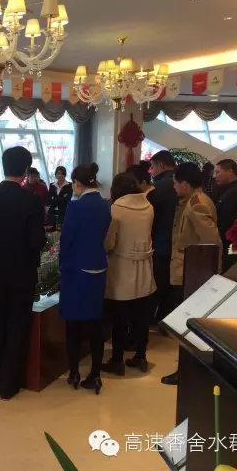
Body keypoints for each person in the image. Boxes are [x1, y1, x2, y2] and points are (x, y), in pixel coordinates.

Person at [0, 147, 45, 400]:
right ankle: (8, 384)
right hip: (23, 273)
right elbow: (37, 241)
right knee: (17, 327)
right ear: (26, 170)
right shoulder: (31, 201)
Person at [160, 162, 222, 386]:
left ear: (185, 184)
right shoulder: (193, 200)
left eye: (176, 183)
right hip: (187, 269)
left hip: (192, 272)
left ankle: (187, 370)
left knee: (188, 323)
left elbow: (212, 242)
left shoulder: (197, 205)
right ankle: (187, 368)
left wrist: (211, 274)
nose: (174, 187)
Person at [59, 162, 112, 395]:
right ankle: (96, 374)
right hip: (98, 267)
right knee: (95, 324)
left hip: (76, 269)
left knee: (73, 325)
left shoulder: (76, 207)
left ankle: (74, 373)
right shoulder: (105, 205)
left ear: (77, 183)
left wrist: (61, 265)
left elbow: (66, 239)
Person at [101, 173, 156, 376]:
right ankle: (141, 356)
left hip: (121, 267)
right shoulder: (148, 207)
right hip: (144, 267)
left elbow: (109, 243)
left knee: (119, 318)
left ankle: (117, 360)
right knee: (141, 316)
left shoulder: (116, 209)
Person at [148, 150, 178, 324]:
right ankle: (165, 318)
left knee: (158, 282)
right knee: (170, 283)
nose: (152, 171)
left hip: (160, 241)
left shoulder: (158, 187)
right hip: (175, 242)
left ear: (161, 165)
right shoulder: (181, 183)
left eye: (153, 167)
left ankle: (155, 318)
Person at [214, 159, 237, 271]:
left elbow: (228, 220)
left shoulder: (236, 192)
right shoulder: (229, 189)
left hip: (229, 242)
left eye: (218, 172)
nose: (215, 176)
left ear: (230, 171)